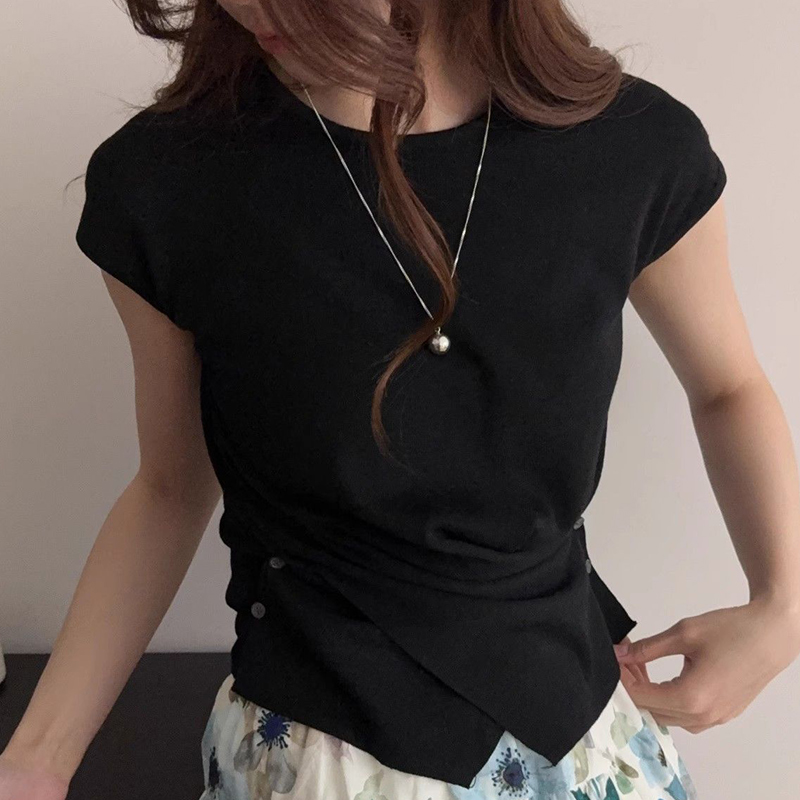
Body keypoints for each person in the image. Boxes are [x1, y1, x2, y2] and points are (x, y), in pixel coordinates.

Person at [2, 1, 800, 798]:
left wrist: (783, 608)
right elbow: (170, 488)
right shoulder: (165, 182)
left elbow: (728, 385)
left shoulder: (633, 147)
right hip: (310, 756)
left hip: (579, 737)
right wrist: (36, 761)